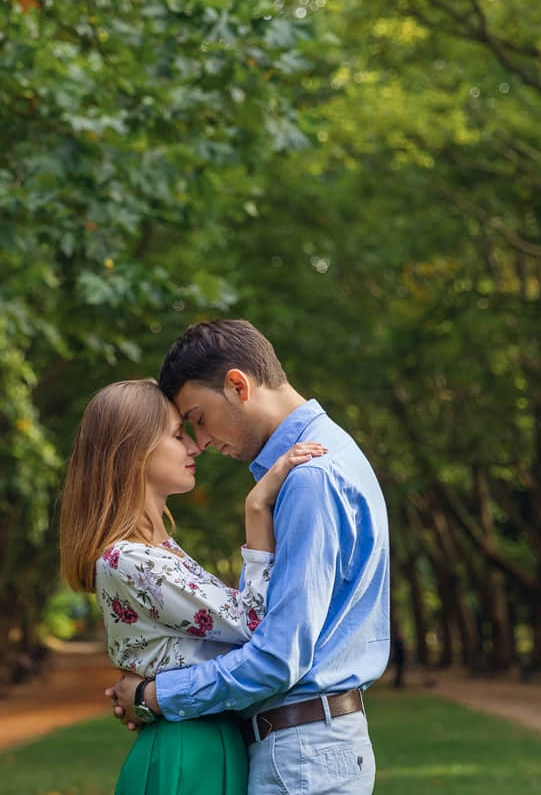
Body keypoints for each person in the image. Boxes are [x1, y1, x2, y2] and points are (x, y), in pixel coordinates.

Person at [108, 319, 390, 795]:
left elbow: (279, 658)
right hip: (310, 748)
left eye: (197, 418)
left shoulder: (310, 479)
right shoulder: (323, 460)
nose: (200, 443)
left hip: (301, 756)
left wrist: (158, 695)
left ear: (238, 386)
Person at [59, 379, 325, 795]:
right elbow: (255, 625)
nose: (195, 446)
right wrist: (256, 511)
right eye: (177, 434)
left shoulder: (157, 550)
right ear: (134, 451)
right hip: (189, 750)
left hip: (205, 741)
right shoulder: (130, 560)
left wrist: (145, 696)